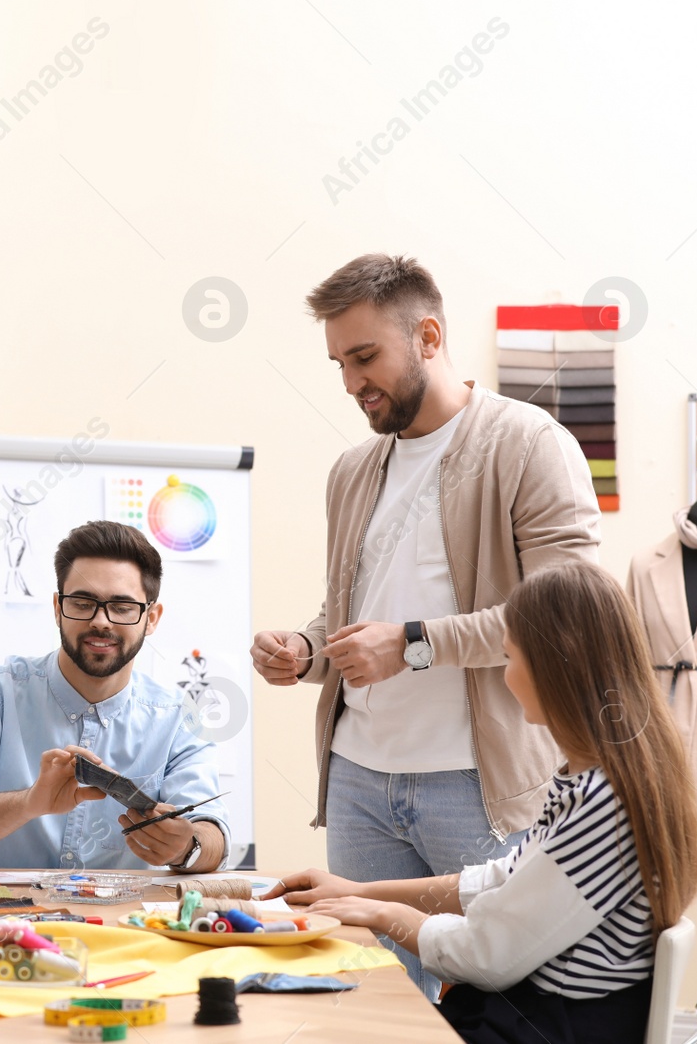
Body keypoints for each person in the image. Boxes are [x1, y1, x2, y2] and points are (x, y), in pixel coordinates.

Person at [250, 253, 601, 997]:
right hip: (356, 780)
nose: (351, 383)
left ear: (430, 337)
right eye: (340, 363)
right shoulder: (351, 469)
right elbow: (349, 609)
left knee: (490, 992)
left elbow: (570, 611)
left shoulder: (530, 444)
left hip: (478, 781)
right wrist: (308, 647)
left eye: (366, 356)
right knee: (367, 994)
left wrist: (412, 643)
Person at [275, 561, 697, 1044]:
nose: (505, 676)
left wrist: (380, 915)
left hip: (550, 1027)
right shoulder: (597, 782)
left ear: (556, 665)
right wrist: (361, 890)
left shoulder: (603, 805)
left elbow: (485, 956)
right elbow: (500, 879)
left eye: (509, 657)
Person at [0, 520, 230, 871]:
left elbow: (214, 836)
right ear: (57, 607)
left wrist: (186, 848)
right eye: (83, 603)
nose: (101, 621)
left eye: (122, 607)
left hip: (121, 923)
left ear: (151, 618)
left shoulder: (179, 719)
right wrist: (29, 802)